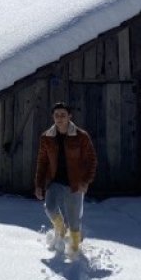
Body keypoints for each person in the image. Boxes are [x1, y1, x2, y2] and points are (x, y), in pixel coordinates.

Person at [33, 102, 97, 255]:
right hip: (54, 181)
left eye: (63, 115)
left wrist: (85, 181)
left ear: (70, 116)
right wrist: (38, 185)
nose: (60, 118)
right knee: (49, 208)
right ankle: (60, 229)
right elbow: (42, 161)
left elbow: (92, 160)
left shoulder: (81, 136)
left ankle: (74, 251)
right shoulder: (46, 137)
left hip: (74, 183)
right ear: (53, 117)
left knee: (74, 220)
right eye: (56, 115)